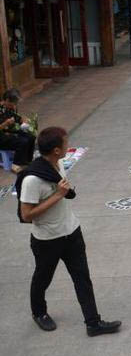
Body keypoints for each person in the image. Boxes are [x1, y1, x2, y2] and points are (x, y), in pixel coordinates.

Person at [17, 126, 121, 336]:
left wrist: (62, 193)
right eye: (66, 143)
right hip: (47, 240)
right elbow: (26, 215)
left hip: (71, 232)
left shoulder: (58, 164)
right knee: (43, 278)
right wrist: (57, 195)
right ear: (56, 150)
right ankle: (39, 312)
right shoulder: (32, 180)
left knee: (82, 278)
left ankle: (93, 323)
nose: (68, 145)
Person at [0, 88, 35, 173]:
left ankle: (27, 160)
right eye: (13, 104)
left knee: (31, 136)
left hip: (9, 131)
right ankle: (17, 164)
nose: (14, 106)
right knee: (22, 141)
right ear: (7, 100)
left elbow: (16, 118)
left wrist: (23, 121)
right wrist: (5, 123)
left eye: (16, 104)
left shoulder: (12, 107)